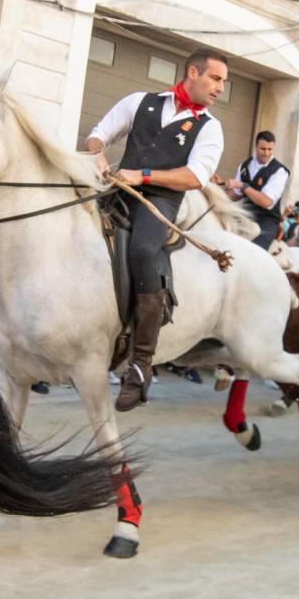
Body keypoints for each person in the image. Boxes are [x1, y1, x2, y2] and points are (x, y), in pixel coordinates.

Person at [86, 48, 227, 412]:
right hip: (117, 189)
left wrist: (144, 175)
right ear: (192, 72)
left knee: (144, 251)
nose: (220, 88)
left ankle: (141, 365)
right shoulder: (141, 101)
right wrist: (98, 153)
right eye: (215, 78)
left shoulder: (210, 127)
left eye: (223, 82)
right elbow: (99, 133)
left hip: (160, 203)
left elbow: (196, 176)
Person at [227, 130, 289, 250]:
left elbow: (266, 202)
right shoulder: (244, 166)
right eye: (263, 149)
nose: (266, 153)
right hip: (244, 213)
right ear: (256, 147)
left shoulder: (279, 171)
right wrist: (224, 187)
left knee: (256, 250)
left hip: (266, 220)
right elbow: (235, 196)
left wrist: (242, 186)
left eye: (270, 149)